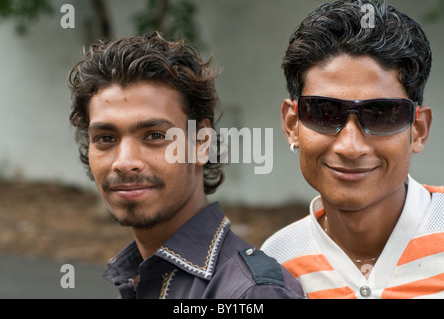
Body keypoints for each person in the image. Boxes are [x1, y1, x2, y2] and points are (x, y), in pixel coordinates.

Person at [67, 32, 303, 299]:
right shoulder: (140, 277)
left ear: (202, 143)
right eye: (106, 138)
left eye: (155, 136)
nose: (124, 162)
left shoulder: (250, 293)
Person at [261, 0, 444, 299]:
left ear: (418, 130)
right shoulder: (275, 267)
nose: (350, 146)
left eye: (382, 114)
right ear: (292, 124)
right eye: (324, 112)